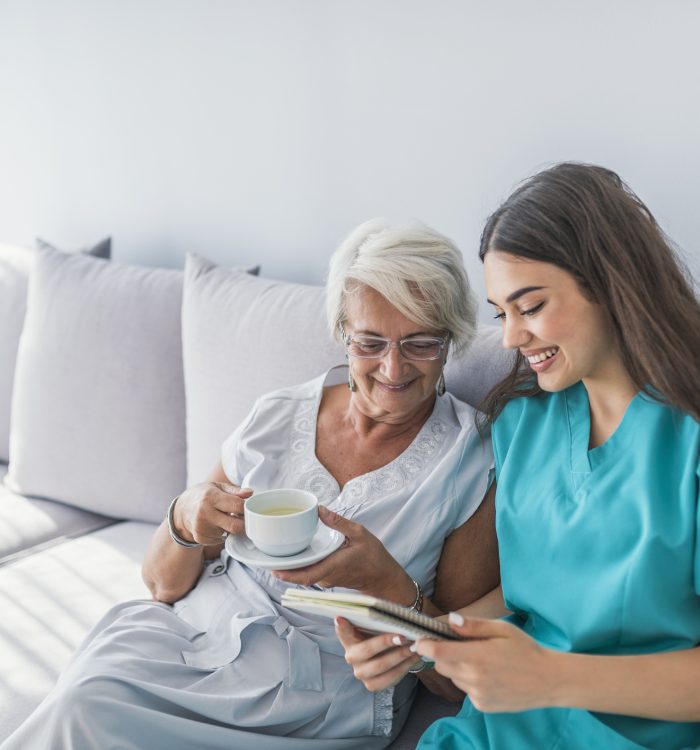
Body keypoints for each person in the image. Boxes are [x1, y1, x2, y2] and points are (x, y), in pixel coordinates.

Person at [2, 219, 499, 750]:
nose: (393, 367)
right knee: (87, 696)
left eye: (421, 343)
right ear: (341, 332)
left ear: (451, 342)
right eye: (370, 342)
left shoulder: (469, 461)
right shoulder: (277, 415)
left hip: (316, 695)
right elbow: (162, 585)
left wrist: (388, 585)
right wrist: (187, 514)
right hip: (194, 638)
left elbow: (451, 681)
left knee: (92, 716)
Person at [338, 163, 700, 749]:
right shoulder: (522, 425)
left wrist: (554, 677)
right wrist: (421, 642)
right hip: (501, 733)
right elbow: (524, 595)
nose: (509, 338)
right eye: (501, 313)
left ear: (608, 283)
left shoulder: (687, 441)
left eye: (529, 307)